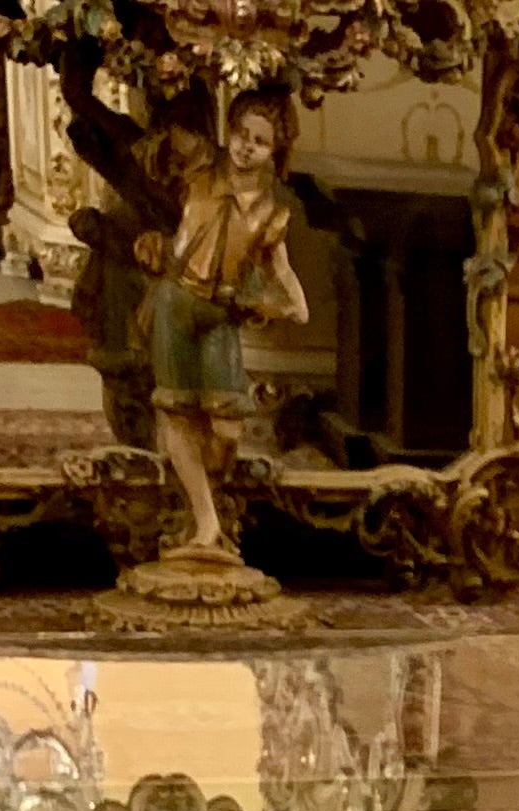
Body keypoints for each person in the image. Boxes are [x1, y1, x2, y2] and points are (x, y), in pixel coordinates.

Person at [133, 92, 308, 569]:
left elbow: (280, 269)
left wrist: (292, 303)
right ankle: (206, 521)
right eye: (240, 135)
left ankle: (202, 497)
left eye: (260, 142)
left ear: (275, 152)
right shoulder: (198, 178)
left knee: (227, 428)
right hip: (177, 303)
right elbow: (167, 142)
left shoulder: (272, 213)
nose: (246, 147)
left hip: (220, 316)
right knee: (176, 410)